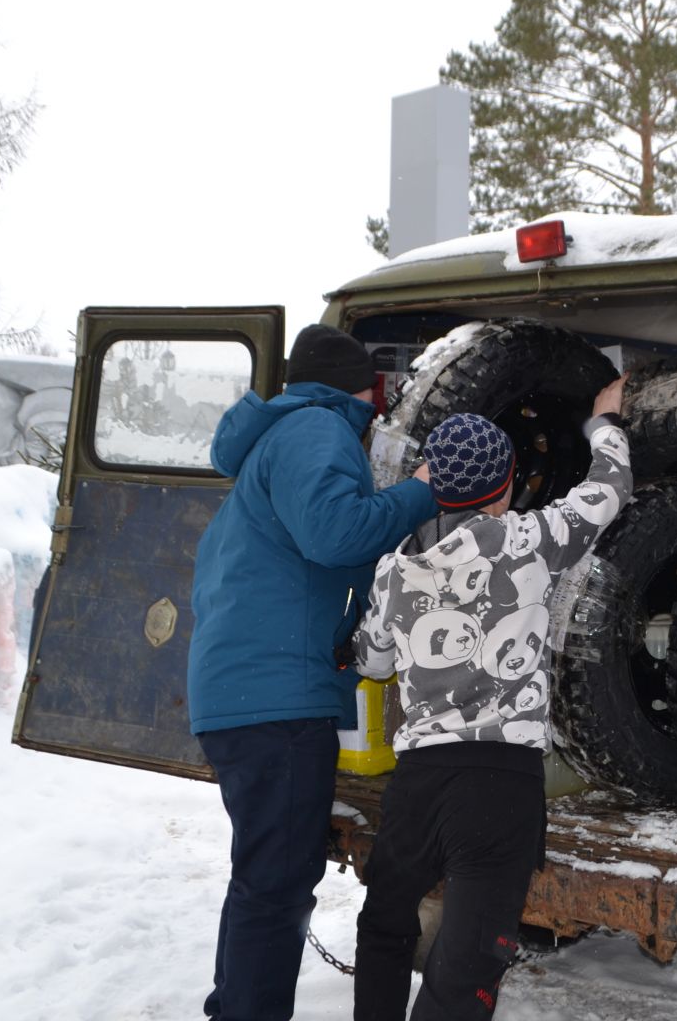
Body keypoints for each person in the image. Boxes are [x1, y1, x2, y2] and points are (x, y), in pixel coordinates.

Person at [350, 378, 631, 1021]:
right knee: (468, 970)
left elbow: (373, 662)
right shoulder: (530, 542)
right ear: (505, 486)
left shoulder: (396, 571)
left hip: (419, 783)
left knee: (386, 926)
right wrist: (604, 425)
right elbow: (609, 489)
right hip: (499, 785)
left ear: (435, 485)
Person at [188, 323, 439, 1021]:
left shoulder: (276, 436)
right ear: (363, 387)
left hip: (246, 693)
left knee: (263, 877)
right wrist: (422, 490)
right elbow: (337, 536)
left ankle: (235, 1008)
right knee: (276, 882)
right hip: (276, 700)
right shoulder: (318, 429)